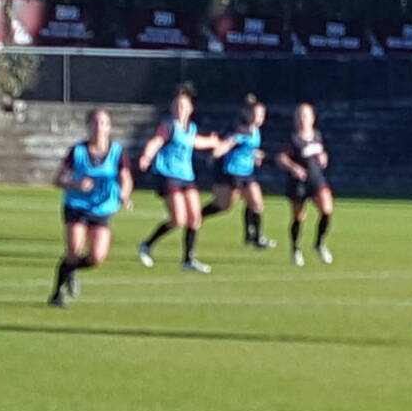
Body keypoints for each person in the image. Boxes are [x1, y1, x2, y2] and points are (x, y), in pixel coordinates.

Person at [136, 87, 226, 272]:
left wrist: (212, 142)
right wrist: (146, 156)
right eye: (177, 106)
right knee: (178, 219)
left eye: (184, 106)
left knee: (195, 218)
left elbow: (194, 142)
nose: (180, 109)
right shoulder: (168, 126)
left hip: (186, 176)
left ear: (191, 108)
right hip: (168, 175)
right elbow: (157, 141)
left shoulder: (190, 128)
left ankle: (188, 260)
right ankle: (147, 244)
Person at [50, 109, 133, 306]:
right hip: (76, 205)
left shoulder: (117, 152)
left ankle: (71, 270)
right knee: (74, 249)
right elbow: (58, 179)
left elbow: (125, 178)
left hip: (102, 208)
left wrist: (124, 194)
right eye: (95, 123)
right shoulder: (77, 151)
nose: (99, 127)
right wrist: (75, 184)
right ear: (88, 126)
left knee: (97, 257)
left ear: (109, 127)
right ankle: (56, 294)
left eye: (103, 123)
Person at [275, 101, 337, 267]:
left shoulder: (317, 135)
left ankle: (319, 244)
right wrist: (294, 168)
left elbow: (321, 153)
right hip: (298, 183)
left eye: (306, 116)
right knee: (299, 217)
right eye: (300, 116)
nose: (303, 119)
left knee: (327, 209)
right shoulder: (293, 138)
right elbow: (281, 157)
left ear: (313, 118)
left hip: (316, 180)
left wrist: (323, 157)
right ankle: (295, 249)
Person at [206, 96, 272, 250]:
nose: (259, 118)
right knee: (224, 205)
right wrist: (217, 152)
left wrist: (256, 156)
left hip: (247, 173)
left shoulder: (256, 131)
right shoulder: (241, 129)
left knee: (256, 203)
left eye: (262, 115)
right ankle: (197, 216)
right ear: (248, 114)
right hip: (233, 172)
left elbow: (248, 149)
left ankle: (256, 237)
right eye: (256, 114)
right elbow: (229, 143)